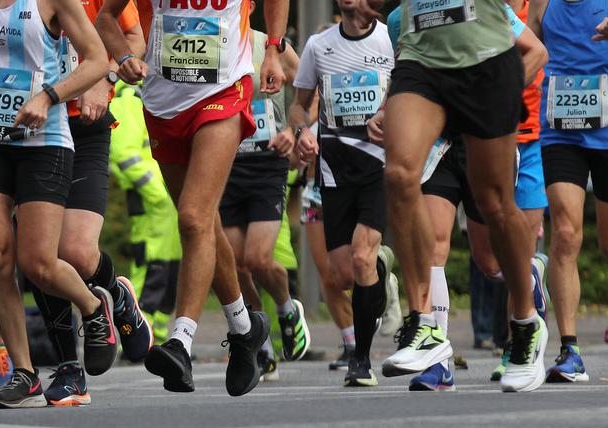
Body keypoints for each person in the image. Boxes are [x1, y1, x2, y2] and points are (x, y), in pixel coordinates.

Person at [0, 0, 118, 408]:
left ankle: (92, 305)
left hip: (43, 140)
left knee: (38, 264)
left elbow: (97, 60)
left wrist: (49, 97)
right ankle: (25, 373)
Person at [98, 0, 290, 397]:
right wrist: (125, 57)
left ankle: (179, 342)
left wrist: (272, 48)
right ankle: (245, 327)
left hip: (224, 89)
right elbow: (105, 18)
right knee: (205, 224)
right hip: (163, 103)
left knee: (192, 217)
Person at [360, 0, 547, 393]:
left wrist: (502, 94)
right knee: (398, 173)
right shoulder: (397, 21)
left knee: (495, 205)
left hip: (485, 59)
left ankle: (527, 323)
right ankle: (424, 325)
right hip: (422, 60)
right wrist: (384, 107)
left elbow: (535, 47)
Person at [25, 0, 152, 407]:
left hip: (84, 126)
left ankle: (115, 291)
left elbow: (133, 36)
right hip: (30, 128)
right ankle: (68, 369)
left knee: (77, 252)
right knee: (37, 254)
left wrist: (107, 75)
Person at [290, 0, 395, 386]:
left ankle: (361, 360)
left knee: (362, 258)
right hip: (334, 167)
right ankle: (383, 275)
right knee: (341, 274)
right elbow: (299, 107)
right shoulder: (319, 46)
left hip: (379, 164)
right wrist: (302, 133)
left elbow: (412, 95)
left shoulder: (390, 39)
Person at [220, 15, 312, 368]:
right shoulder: (211, 43)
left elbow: (310, 88)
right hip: (225, 163)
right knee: (237, 266)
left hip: (266, 163)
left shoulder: (271, 45)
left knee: (258, 259)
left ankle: (288, 310)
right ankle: (259, 340)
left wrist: (295, 128)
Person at [527, 0, 608, 384]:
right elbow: (527, 47)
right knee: (563, 233)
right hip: (560, 129)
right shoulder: (543, 3)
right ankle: (570, 349)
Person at [109, 83, 182, 345]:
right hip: (150, 197)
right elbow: (123, 153)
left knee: (168, 267)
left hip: (163, 199)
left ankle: (156, 334)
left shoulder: (148, 94)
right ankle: (134, 335)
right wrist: (156, 191)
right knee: (150, 265)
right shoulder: (129, 96)